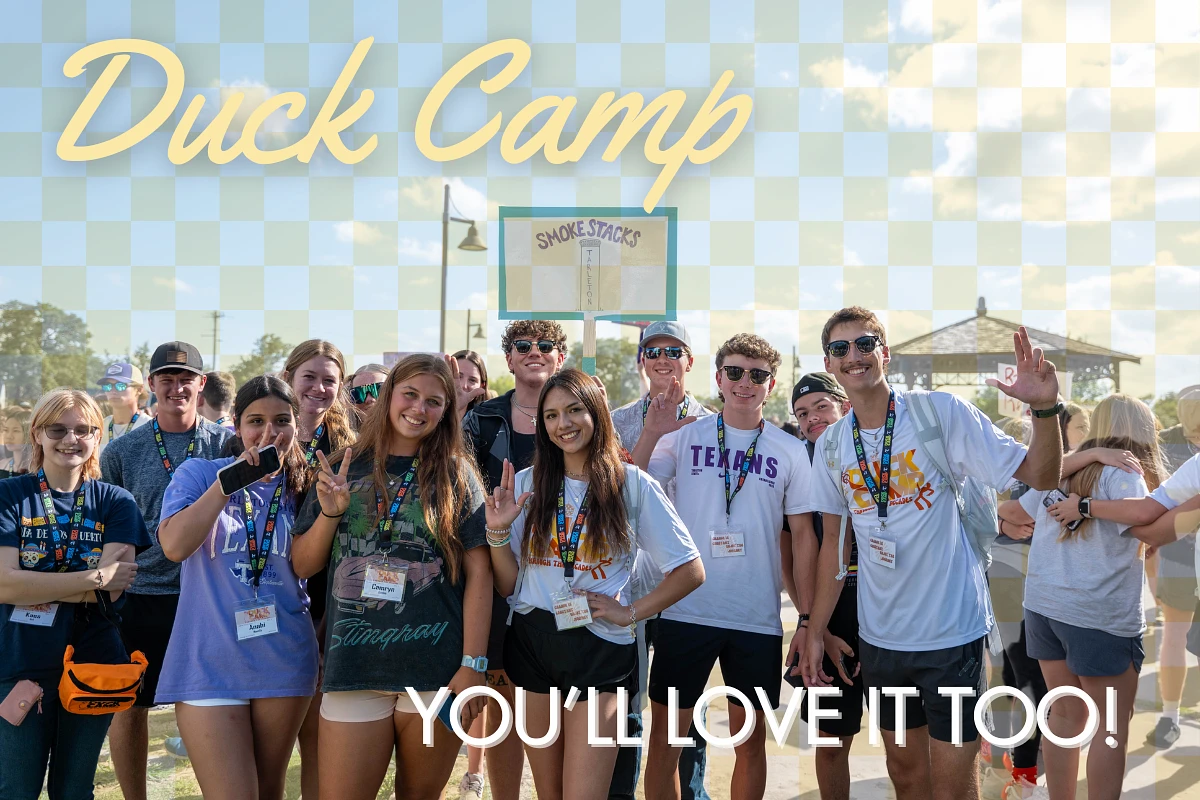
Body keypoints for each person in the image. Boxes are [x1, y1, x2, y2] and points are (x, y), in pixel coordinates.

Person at [802, 308, 1063, 800]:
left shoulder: (939, 413)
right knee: (904, 774)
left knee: (951, 787)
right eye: (841, 349)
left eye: (865, 344)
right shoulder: (833, 444)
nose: (854, 356)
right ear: (830, 363)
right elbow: (832, 550)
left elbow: (1041, 476)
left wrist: (1044, 411)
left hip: (951, 636)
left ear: (885, 352)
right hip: (881, 639)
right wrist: (813, 631)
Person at [486, 368, 705, 800]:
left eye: (574, 411)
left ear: (597, 414)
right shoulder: (527, 486)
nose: (562, 424)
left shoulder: (632, 485)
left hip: (600, 647)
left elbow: (690, 570)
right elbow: (510, 586)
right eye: (550, 416)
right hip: (533, 643)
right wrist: (496, 534)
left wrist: (631, 612)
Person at [290, 354, 492, 800]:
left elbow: (481, 576)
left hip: (434, 671)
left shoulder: (458, 474)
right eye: (411, 394)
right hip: (354, 668)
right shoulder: (344, 465)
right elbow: (303, 566)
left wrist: (472, 666)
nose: (419, 409)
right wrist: (329, 512)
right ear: (389, 395)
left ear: (447, 410)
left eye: (434, 401)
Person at [641, 333, 817, 800]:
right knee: (665, 744)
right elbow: (631, 490)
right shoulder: (683, 437)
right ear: (718, 378)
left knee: (750, 745)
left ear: (771, 384)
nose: (745, 382)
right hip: (685, 609)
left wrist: (806, 617)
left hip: (755, 618)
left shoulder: (790, 450)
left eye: (757, 375)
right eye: (735, 372)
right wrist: (653, 431)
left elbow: (802, 539)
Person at [153, 376, 319, 800]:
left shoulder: (304, 488)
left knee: (268, 790)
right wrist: (231, 482)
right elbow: (174, 546)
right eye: (255, 421)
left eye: (281, 420)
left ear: (296, 425)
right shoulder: (199, 474)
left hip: (284, 659)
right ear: (236, 425)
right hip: (208, 662)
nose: (268, 433)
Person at [1000, 394, 1160, 800]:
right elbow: (1147, 525)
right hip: (1098, 614)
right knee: (1109, 729)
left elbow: (1017, 513)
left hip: (1044, 608)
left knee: (1065, 716)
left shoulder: (1059, 469)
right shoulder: (1127, 472)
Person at [101, 341, 235, 800]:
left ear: (201, 384)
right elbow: (110, 523)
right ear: (152, 385)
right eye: (166, 379)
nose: (176, 387)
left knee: (207, 709)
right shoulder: (121, 451)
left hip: (209, 595)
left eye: (185, 379)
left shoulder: (228, 442)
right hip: (144, 594)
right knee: (130, 707)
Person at [0, 389, 147, 800]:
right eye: (58, 429)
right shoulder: (9, 495)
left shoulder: (117, 502)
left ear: (98, 437)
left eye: (84, 430)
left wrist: (32, 583)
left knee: (74, 789)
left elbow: (116, 590)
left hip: (93, 663)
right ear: (38, 434)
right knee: (16, 789)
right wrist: (93, 578)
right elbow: (3, 584)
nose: (71, 439)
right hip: (18, 662)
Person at [461, 320, 568, 800]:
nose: (535, 352)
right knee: (503, 706)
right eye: (523, 346)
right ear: (508, 358)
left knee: (558, 711)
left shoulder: (579, 415)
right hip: (497, 573)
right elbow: (458, 490)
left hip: (565, 578)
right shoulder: (481, 420)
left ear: (559, 356)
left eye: (545, 346)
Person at [607, 320, 712, 800]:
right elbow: (614, 499)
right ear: (641, 361)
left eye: (675, 350)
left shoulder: (713, 421)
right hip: (627, 584)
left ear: (690, 360)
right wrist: (651, 432)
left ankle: (692, 791)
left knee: (684, 709)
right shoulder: (613, 420)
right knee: (626, 706)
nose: (663, 358)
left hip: (685, 586)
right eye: (653, 350)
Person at [787, 373, 863, 800]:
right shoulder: (801, 467)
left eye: (821, 406)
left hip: (891, 621)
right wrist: (817, 628)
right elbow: (792, 558)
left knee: (907, 744)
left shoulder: (877, 455)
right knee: (831, 743)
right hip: (828, 623)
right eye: (802, 413)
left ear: (844, 406)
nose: (811, 418)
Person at [1147, 384, 1200, 747]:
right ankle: (1170, 717)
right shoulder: (1165, 441)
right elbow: (1154, 490)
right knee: (1175, 636)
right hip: (1179, 550)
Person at [97, 362, 151, 453]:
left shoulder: (149, 427)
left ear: (139, 389)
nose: (113, 391)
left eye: (120, 386)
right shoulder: (100, 427)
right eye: (107, 386)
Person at [451, 349, 489, 417]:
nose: (464, 385)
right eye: (459, 376)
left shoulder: (489, 420)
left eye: (472, 380)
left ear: (482, 385)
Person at [1, 408, 32, 477]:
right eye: (6, 430)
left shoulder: (40, 468)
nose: (9, 436)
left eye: (16, 431)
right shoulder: (2, 464)